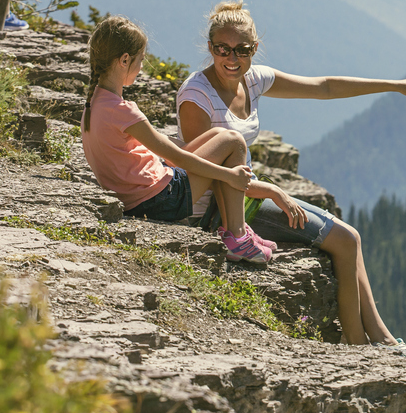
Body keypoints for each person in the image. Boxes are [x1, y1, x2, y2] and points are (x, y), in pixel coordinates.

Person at [177, 0, 406, 364]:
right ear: (210, 48)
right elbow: (200, 171)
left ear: (255, 49)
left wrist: (397, 86)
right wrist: (268, 189)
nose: (232, 58)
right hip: (217, 210)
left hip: (244, 193)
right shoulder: (196, 97)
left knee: (350, 240)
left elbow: (324, 87)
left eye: (242, 50)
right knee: (346, 240)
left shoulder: (252, 80)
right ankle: (366, 350)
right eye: (223, 49)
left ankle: (382, 344)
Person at [80, 15, 269, 264]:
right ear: (125, 60)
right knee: (234, 142)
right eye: (140, 60)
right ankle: (237, 236)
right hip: (160, 200)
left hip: (137, 199)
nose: (141, 67)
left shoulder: (94, 105)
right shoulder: (123, 110)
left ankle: (235, 230)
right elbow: (176, 156)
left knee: (219, 136)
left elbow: (163, 146)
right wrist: (228, 175)